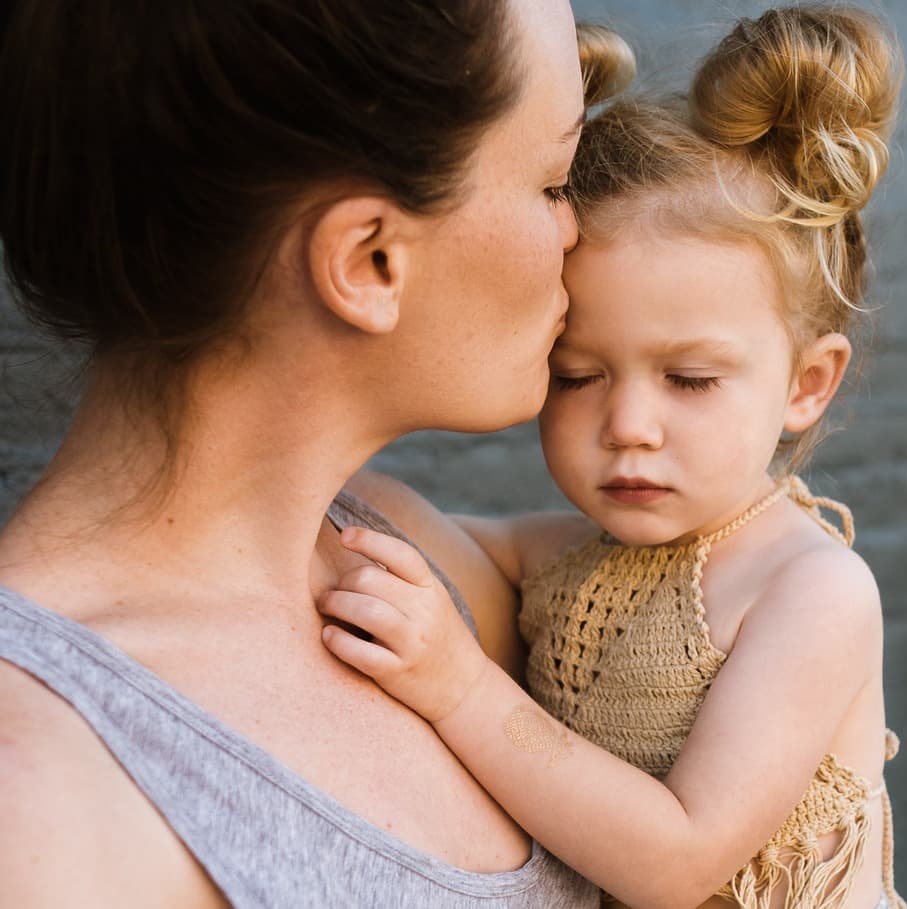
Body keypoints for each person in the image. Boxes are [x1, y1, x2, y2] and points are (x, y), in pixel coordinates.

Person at [0, 1, 605, 905]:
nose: (578, 232)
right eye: (555, 183)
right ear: (369, 262)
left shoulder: (408, 557)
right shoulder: (40, 789)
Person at [316, 7, 907, 908]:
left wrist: (462, 688)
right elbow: (394, 523)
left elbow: (679, 859)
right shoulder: (566, 559)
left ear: (806, 383)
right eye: (578, 374)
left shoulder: (809, 590)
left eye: (691, 379)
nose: (628, 422)